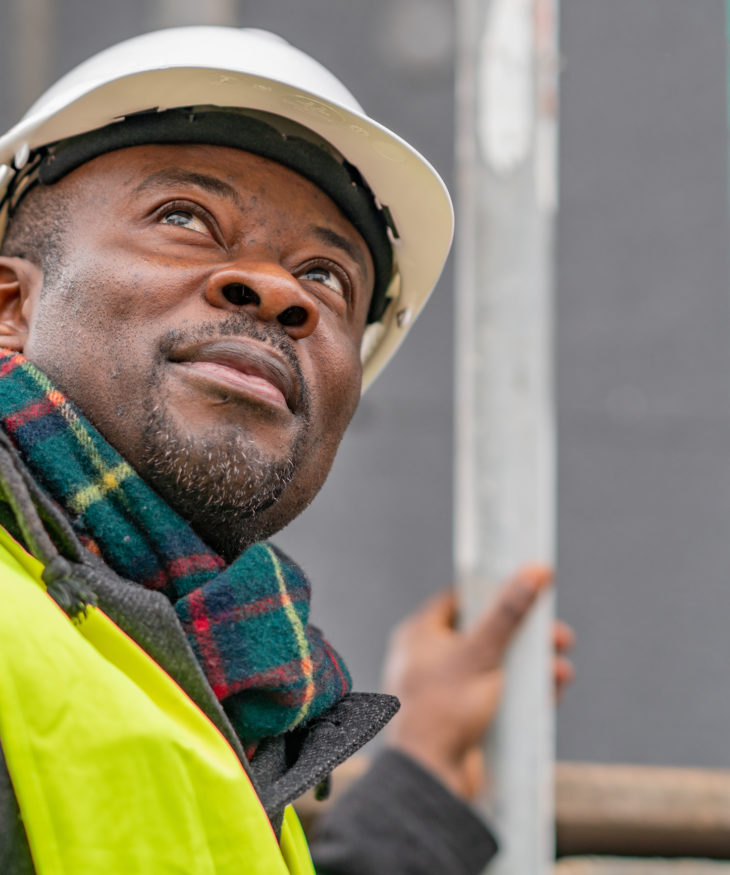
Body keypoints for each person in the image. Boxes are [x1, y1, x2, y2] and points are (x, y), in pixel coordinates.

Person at [0, 25, 573, 874]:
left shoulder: (219, 690)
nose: (277, 291)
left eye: (326, 277)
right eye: (185, 217)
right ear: (9, 304)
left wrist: (415, 773)